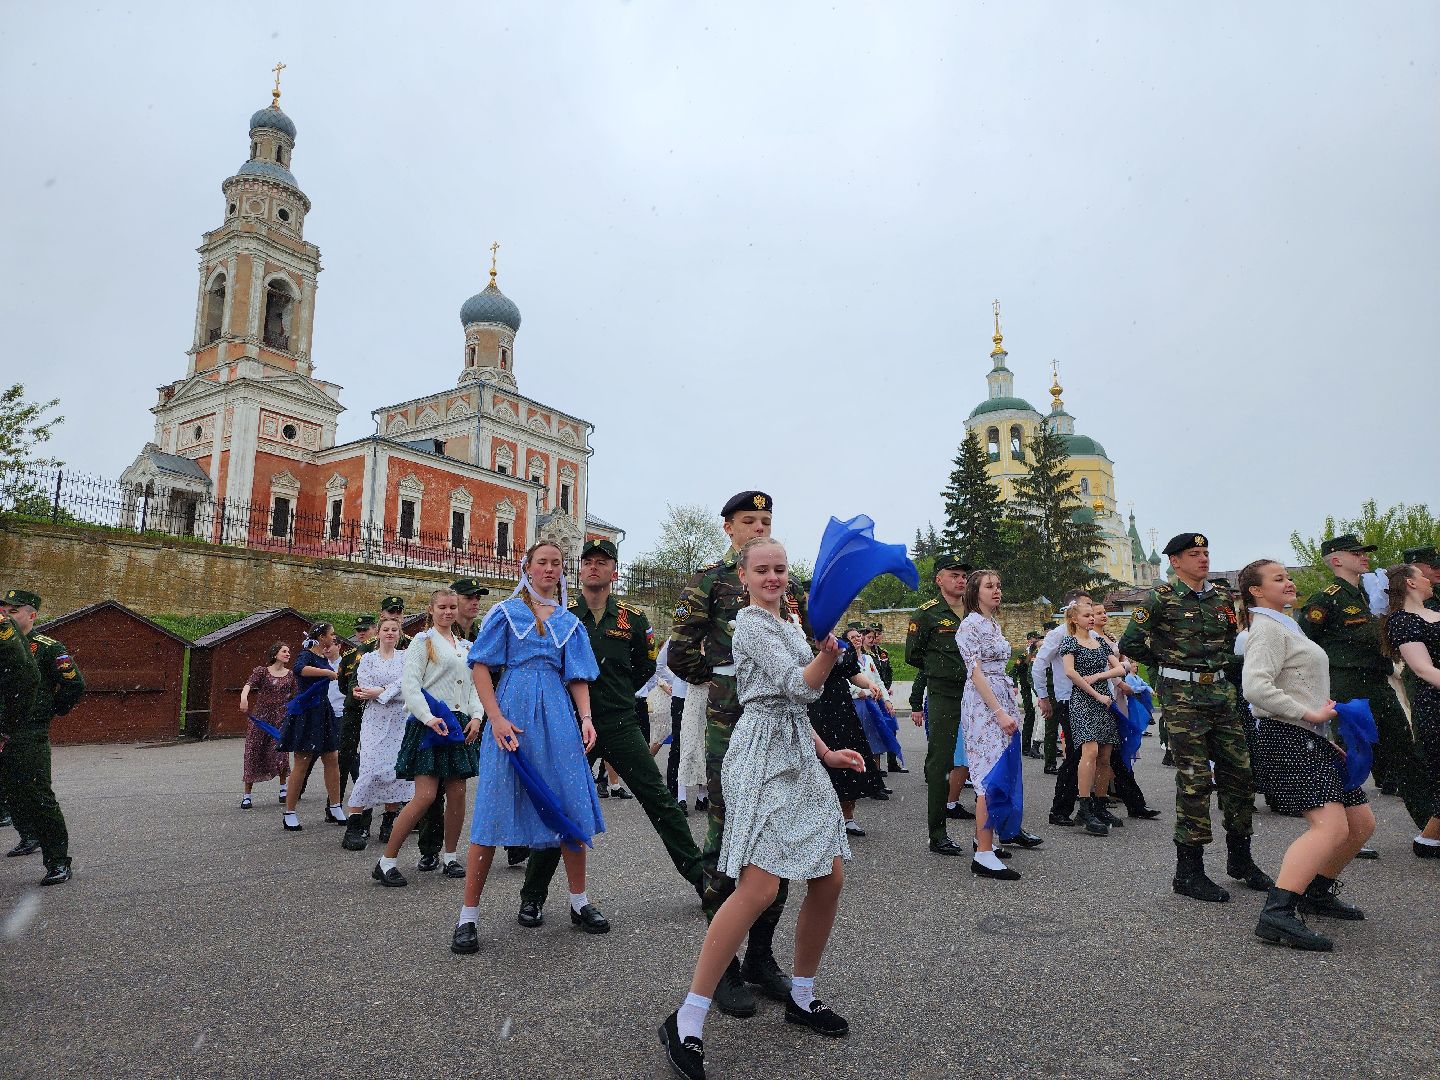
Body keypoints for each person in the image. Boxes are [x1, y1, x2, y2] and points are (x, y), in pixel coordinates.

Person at [659, 538, 865, 1080]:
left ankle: (802, 993)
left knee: (830, 876)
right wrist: (825, 657)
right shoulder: (748, 624)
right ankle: (688, 1018)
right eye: (762, 570)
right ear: (744, 577)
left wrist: (827, 751)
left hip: (799, 752)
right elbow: (798, 685)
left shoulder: (790, 624)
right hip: (760, 757)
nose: (773, 577)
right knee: (760, 888)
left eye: (780, 569)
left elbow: (796, 703)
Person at [517, 539, 703, 931]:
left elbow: (643, 667)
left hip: (619, 722)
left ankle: (701, 879)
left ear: (614, 571)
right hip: (569, 725)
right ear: (579, 570)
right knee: (560, 806)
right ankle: (532, 897)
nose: (594, 568)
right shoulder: (561, 614)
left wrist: (614, 695)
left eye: (602, 562)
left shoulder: (632, 619)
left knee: (658, 799)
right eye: (587, 562)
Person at [668, 490, 805, 1016]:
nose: (758, 527)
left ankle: (761, 959)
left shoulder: (780, 585)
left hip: (782, 722)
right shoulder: (710, 580)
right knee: (728, 835)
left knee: (780, 835)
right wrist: (723, 682)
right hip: (732, 721)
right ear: (728, 527)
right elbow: (680, 648)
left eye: (766, 520)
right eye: (749, 521)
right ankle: (722, 966)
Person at [452, 541, 604, 954]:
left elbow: (578, 678)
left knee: (569, 802)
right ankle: (468, 916)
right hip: (513, 716)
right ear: (528, 567)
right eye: (543, 563)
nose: (550, 570)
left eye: (556, 563)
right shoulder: (505, 613)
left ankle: (579, 902)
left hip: (558, 719)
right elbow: (480, 666)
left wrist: (586, 718)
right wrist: (496, 718)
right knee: (491, 812)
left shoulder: (570, 622)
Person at [1119, 532, 1271, 902]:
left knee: (1240, 772)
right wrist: (1172, 665)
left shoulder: (1222, 597)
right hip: (1183, 696)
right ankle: (1189, 871)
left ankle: (1240, 858)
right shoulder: (1160, 598)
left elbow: (1228, 642)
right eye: (1194, 554)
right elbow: (1131, 644)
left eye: (1205, 552)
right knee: (1195, 777)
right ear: (1175, 561)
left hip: (1220, 692)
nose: (1203, 559)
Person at [1239, 560, 1374, 951]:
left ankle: (1317, 892)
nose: (1289, 582)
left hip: (1311, 736)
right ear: (1256, 592)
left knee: (1360, 824)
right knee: (1329, 828)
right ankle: (1277, 914)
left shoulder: (1286, 624)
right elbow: (1255, 688)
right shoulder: (1265, 629)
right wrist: (1309, 713)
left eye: (1288, 576)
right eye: (1278, 579)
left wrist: (1321, 722)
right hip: (1289, 737)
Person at [1301, 535, 1426, 826]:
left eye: (1364, 552)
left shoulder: (1370, 594)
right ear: (1336, 560)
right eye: (1356, 553)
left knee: (1404, 750)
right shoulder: (1326, 599)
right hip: (1347, 684)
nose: (1363, 556)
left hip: (1377, 682)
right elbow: (1307, 642)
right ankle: (1344, 830)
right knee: (1351, 757)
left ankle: (1428, 825)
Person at [373, 589, 482, 886]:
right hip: (430, 723)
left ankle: (450, 857)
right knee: (425, 796)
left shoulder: (467, 647)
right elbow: (411, 685)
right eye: (442, 607)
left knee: (458, 793)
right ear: (431, 610)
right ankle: (386, 861)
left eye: (452, 607)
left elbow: (474, 687)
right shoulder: (422, 642)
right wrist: (428, 717)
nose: (448, 612)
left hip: (458, 724)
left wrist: (476, 716)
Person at [956, 570, 1039, 879]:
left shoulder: (992, 623)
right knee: (988, 774)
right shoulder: (970, 625)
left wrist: (1009, 703)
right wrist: (999, 712)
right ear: (975, 592)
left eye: (999, 586)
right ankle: (983, 854)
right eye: (989, 586)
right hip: (983, 703)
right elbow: (975, 673)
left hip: (999, 696)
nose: (996, 590)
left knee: (1000, 770)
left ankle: (986, 837)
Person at [0, 589, 81, 886]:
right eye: (4, 609)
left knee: (38, 795)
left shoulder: (47, 647)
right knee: (9, 791)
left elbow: (74, 685)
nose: (7, 615)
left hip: (28, 730)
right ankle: (28, 835)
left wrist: (48, 712)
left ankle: (58, 861)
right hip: (3, 726)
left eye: (13, 610)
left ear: (31, 615)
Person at [905, 555, 974, 858]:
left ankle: (1000, 829)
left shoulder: (976, 611)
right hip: (944, 693)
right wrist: (941, 669)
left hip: (977, 693)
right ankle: (938, 833)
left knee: (989, 757)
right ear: (939, 579)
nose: (961, 580)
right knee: (941, 760)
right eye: (954, 575)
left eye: (964, 576)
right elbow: (913, 656)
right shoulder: (926, 615)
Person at [1380, 564, 1440, 860]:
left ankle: (1428, 841)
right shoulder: (1402, 621)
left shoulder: (1436, 612)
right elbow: (1422, 668)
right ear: (1410, 583)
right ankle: (1427, 841)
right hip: (1435, 704)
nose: (1430, 579)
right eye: (1423, 576)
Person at [341, 615, 413, 851]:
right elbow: (362, 688)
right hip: (374, 720)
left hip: (399, 720)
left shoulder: (405, 658)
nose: (390, 633)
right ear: (379, 633)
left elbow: (409, 687)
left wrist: (381, 690)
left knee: (394, 770)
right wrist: (390, 690)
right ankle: (355, 823)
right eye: (386, 629)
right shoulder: (369, 659)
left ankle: (389, 822)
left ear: (399, 634)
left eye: (394, 629)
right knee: (369, 770)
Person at [1061, 600, 1128, 837]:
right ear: (1073, 619)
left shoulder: (1099, 641)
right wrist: (1096, 694)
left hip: (1104, 700)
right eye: (1087, 615)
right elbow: (1070, 672)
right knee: (1089, 751)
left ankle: (1100, 804)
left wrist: (1099, 676)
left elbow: (1121, 668)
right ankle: (1084, 807)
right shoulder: (1070, 642)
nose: (1091, 618)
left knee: (1105, 755)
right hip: (1084, 701)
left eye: (1093, 615)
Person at [280, 622, 346, 831]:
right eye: (331, 634)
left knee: (332, 757)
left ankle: (335, 805)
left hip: (323, 710)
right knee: (302, 761)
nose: (333, 637)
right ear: (321, 637)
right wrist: (326, 673)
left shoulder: (322, 657)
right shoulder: (307, 654)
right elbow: (300, 670)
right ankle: (289, 812)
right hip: (308, 712)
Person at [238, 642, 294, 810]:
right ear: (275, 653)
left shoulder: (290, 675)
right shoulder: (261, 671)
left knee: (280, 754)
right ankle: (247, 796)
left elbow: (296, 695)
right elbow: (248, 685)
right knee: (252, 753)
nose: (288, 653)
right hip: (261, 719)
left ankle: (283, 790)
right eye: (284, 651)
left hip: (280, 718)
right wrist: (244, 698)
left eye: (289, 651)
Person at [334, 614, 376, 808]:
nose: (361, 633)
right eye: (358, 630)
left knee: (375, 758)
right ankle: (334, 803)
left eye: (365, 629)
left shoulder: (387, 651)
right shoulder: (349, 656)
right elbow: (343, 685)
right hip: (353, 711)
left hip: (377, 710)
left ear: (375, 629)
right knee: (344, 757)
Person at [1015, 631, 1040, 757]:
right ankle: (1025, 747)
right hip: (1026, 688)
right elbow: (1015, 670)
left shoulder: (1037, 653)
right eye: (1034, 639)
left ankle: (1029, 745)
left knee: (1034, 716)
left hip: (1034, 688)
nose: (1036, 642)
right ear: (1029, 640)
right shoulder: (1024, 654)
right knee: (1030, 715)